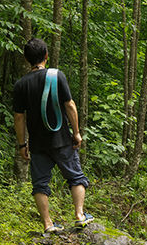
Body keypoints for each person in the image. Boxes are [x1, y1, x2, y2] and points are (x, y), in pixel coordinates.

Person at [13, 38, 93, 233]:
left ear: (26, 59)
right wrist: (77, 132)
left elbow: (19, 117)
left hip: (38, 143)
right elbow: (70, 105)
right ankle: (80, 215)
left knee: (40, 183)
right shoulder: (56, 76)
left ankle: (48, 224)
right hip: (62, 139)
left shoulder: (21, 84)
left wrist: (22, 144)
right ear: (46, 55)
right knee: (76, 177)